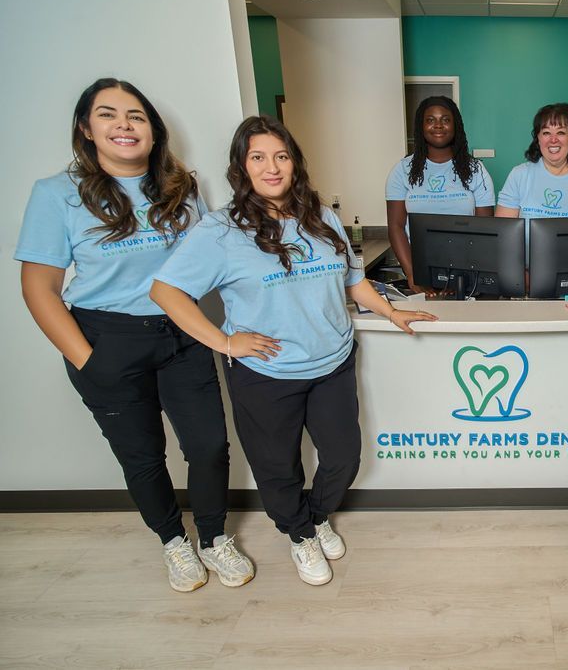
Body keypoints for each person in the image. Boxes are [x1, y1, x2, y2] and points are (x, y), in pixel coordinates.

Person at [151, 115, 437, 586]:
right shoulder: (222, 231)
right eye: (258, 157)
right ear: (242, 168)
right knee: (278, 469)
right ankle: (300, 535)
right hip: (266, 373)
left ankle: (317, 517)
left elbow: (352, 280)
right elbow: (166, 291)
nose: (272, 167)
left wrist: (391, 312)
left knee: (344, 457)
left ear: (294, 163)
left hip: (333, 362)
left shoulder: (319, 215)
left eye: (281, 156)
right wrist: (224, 341)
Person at [15, 78, 254, 592]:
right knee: (143, 455)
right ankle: (173, 543)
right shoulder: (57, 194)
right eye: (108, 114)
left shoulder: (180, 186)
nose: (123, 124)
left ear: (153, 129)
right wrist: (87, 360)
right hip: (106, 338)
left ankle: (213, 539)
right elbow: (39, 288)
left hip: (183, 333)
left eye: (136, 116)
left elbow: (205, 263)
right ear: (86, 128)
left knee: (210, 446)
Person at [386, 96, 495, 294]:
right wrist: (412, 275)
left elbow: (485, 230)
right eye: (430, 120)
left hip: (468, 272)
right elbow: (396, 226)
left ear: (456, 126)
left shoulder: (475, 169)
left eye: (445, 119)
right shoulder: (402, 170)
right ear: (421, 126)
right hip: (420, 271)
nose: (438, 125)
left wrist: (465, 277)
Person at [496, 102, 568, 261]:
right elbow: (503, 234)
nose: (553, 140)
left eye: (561, 132)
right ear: (538, 139)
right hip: (523, 269)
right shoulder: (519, 174)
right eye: (546, 133)